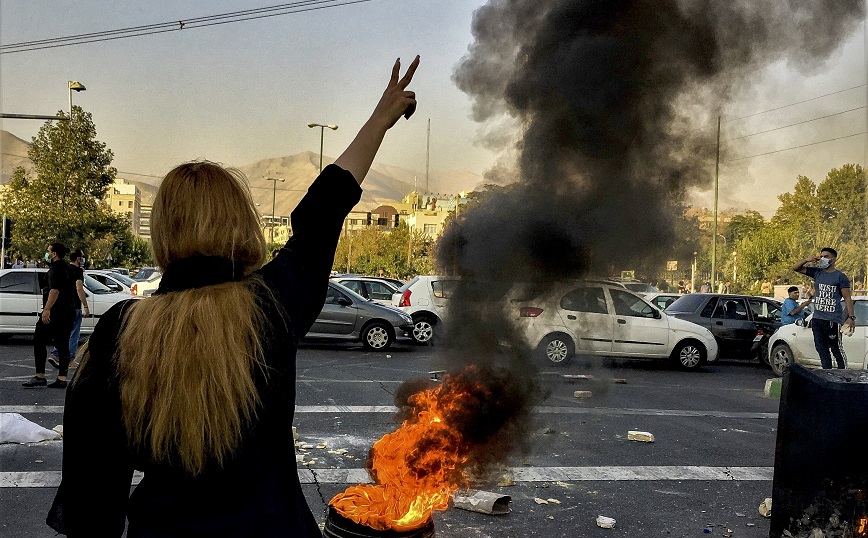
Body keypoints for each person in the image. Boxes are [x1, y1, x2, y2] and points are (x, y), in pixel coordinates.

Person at [47, 56, 419, 537]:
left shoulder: (121, 330)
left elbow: (92, 500)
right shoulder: (272, 305)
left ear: (163, 233)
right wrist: (378, 121)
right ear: (240, 223)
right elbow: (322, 212)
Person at [22, 243, 76, 388]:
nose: (47, 254)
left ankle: (40, 375)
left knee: (39, 339)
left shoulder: (55, 269)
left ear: (54, 254)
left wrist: (46, 310)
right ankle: (62, 378)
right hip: (68, 312)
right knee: (63, 344)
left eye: (48, 251)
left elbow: (54, 291)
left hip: (55, 313)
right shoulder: (68, 268)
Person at [793, 247, 855, 369]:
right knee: (821, 348)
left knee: (835, 348)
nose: (823, 259)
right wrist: (807, 259)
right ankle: (827, 372)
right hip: (817, 318)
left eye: (826, 256)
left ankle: (843, 373)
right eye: (821, 256)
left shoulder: (840, 276)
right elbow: (796, 268)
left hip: (832, 319)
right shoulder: (817, 272)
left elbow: (847, 298)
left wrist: (851, 317)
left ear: (833, 259)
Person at [48, 249, 90, 370]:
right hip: (74, 306)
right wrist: (85, 305)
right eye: (82, 256)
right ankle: (66, 358)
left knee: (65, 332)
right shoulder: (77, 271)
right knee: (73, 334)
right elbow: (79, 288)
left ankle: (57, 354)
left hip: (63, 305)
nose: (83, 259)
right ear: (78, 258)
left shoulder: (65, 268)